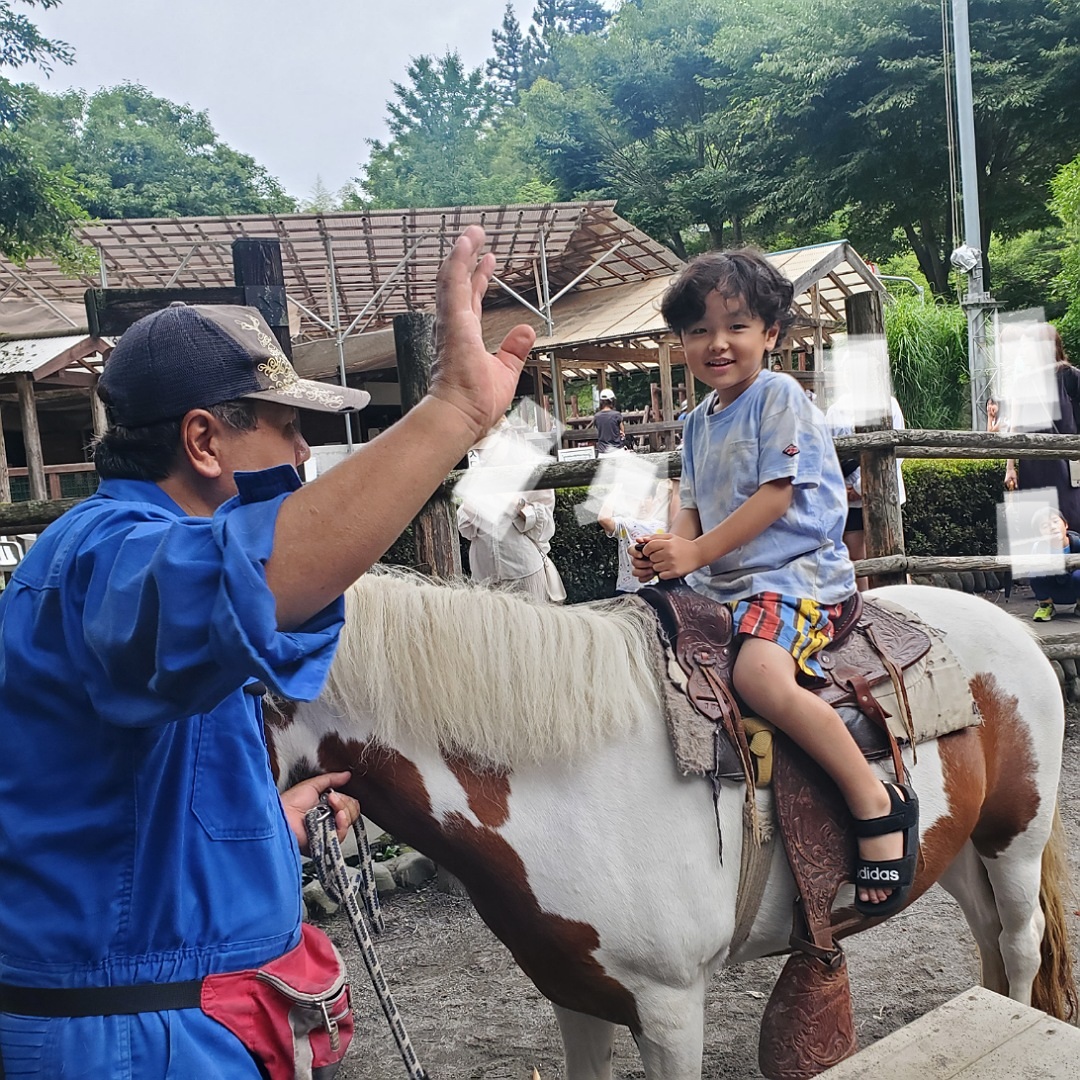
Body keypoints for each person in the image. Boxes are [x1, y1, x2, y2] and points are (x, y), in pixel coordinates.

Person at [0, 226, 534, 1077]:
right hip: (128, 1042)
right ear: (205, 441)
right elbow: (250, 578)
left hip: (159, 1018)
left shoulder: (118, 555)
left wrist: (263, 828)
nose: (301, 456)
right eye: (288, 430)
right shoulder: (110, 555)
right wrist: (454, 414)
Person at [632, 248, 918, 917]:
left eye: (735, 324)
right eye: (698, 330)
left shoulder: (779, 397)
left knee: (761, 677)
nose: (716, 343)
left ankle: (874, 802)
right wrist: (671, 548)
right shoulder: (698, 421)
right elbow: (694, 504)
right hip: (727, 581)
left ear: (772, 333)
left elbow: (775, 497)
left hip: (797, 576)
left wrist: (695, 549)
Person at [1002, 326, 1080, 617]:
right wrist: (1010, 466)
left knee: (1071, 523)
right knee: (1036, 526)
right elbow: (1014, 427)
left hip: (1066, 466)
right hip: (1033, 465)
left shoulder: (1070, 376)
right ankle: (1044, 599)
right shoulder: (1022, 381)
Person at [457, 423, 565, 602]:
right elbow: (465, 528)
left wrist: (515, 503)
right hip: (484, 574)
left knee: (530, 625)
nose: (484, 454)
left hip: (522, 569)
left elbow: (544, 528)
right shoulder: (476, 475)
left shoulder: (534, 470)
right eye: (480, 450)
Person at [825, 394, 908, 591]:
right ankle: (868, 609)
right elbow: (828, 455)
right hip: (848, 497)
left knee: (891, 555)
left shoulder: (889, 404)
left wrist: (861, 487)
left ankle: (901, 608)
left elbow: (897, 450)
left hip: (885, 494)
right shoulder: (836, 411)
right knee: (857, 555)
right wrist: (843, 488)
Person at [598, 479, 678, 595]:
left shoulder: (663, 526)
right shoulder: (624, 524)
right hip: (627, 589)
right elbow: (603, 519)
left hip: (657, 589)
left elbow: (678, 523)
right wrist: (617, 488)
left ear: (653, 499)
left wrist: (675, 488)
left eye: (646, 498)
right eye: (635, 499)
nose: (642, 504)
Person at [1027, 506, 1080, 621]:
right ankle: (1046, 605)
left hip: (1075, 588)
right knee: (1035, 572)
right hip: (1053, 590)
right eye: (1045, 526)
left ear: (1065, 525)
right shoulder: (1038, 548)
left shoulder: (1077, 544)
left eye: (1055, 521)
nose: (1052, 527)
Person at [592, 388, 627, 454]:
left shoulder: (596, 416)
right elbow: (622, 432)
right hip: (617, 451)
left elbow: (599, 430)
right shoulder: (617, 415)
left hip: (602, 452)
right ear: (612, 401)